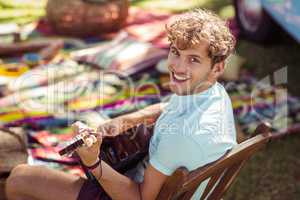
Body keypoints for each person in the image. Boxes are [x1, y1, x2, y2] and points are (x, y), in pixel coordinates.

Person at [5, 8, 237, 200]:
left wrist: (93, 162)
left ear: (217, 67)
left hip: (135, 193)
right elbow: (168, 108)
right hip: (160, 180)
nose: (177, 67)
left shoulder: (180, 137)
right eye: (175, 52)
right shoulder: (213, 93)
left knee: (19, 179)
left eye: (193, 59)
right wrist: (122, 122)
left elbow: (138, 198)